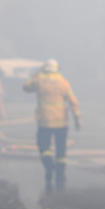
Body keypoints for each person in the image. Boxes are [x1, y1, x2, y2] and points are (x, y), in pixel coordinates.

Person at [22, 58, 80, 192]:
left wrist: (36, 75)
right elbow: (73, 101)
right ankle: (61, 175)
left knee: (43, 146)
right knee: (61, 150)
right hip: (61, 122)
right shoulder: (63, 81)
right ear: (57, 68)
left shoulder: (39, 79)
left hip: (45, 121)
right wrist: (77, 118)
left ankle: (49, 166)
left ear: (44, 68)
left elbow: (26, 87)